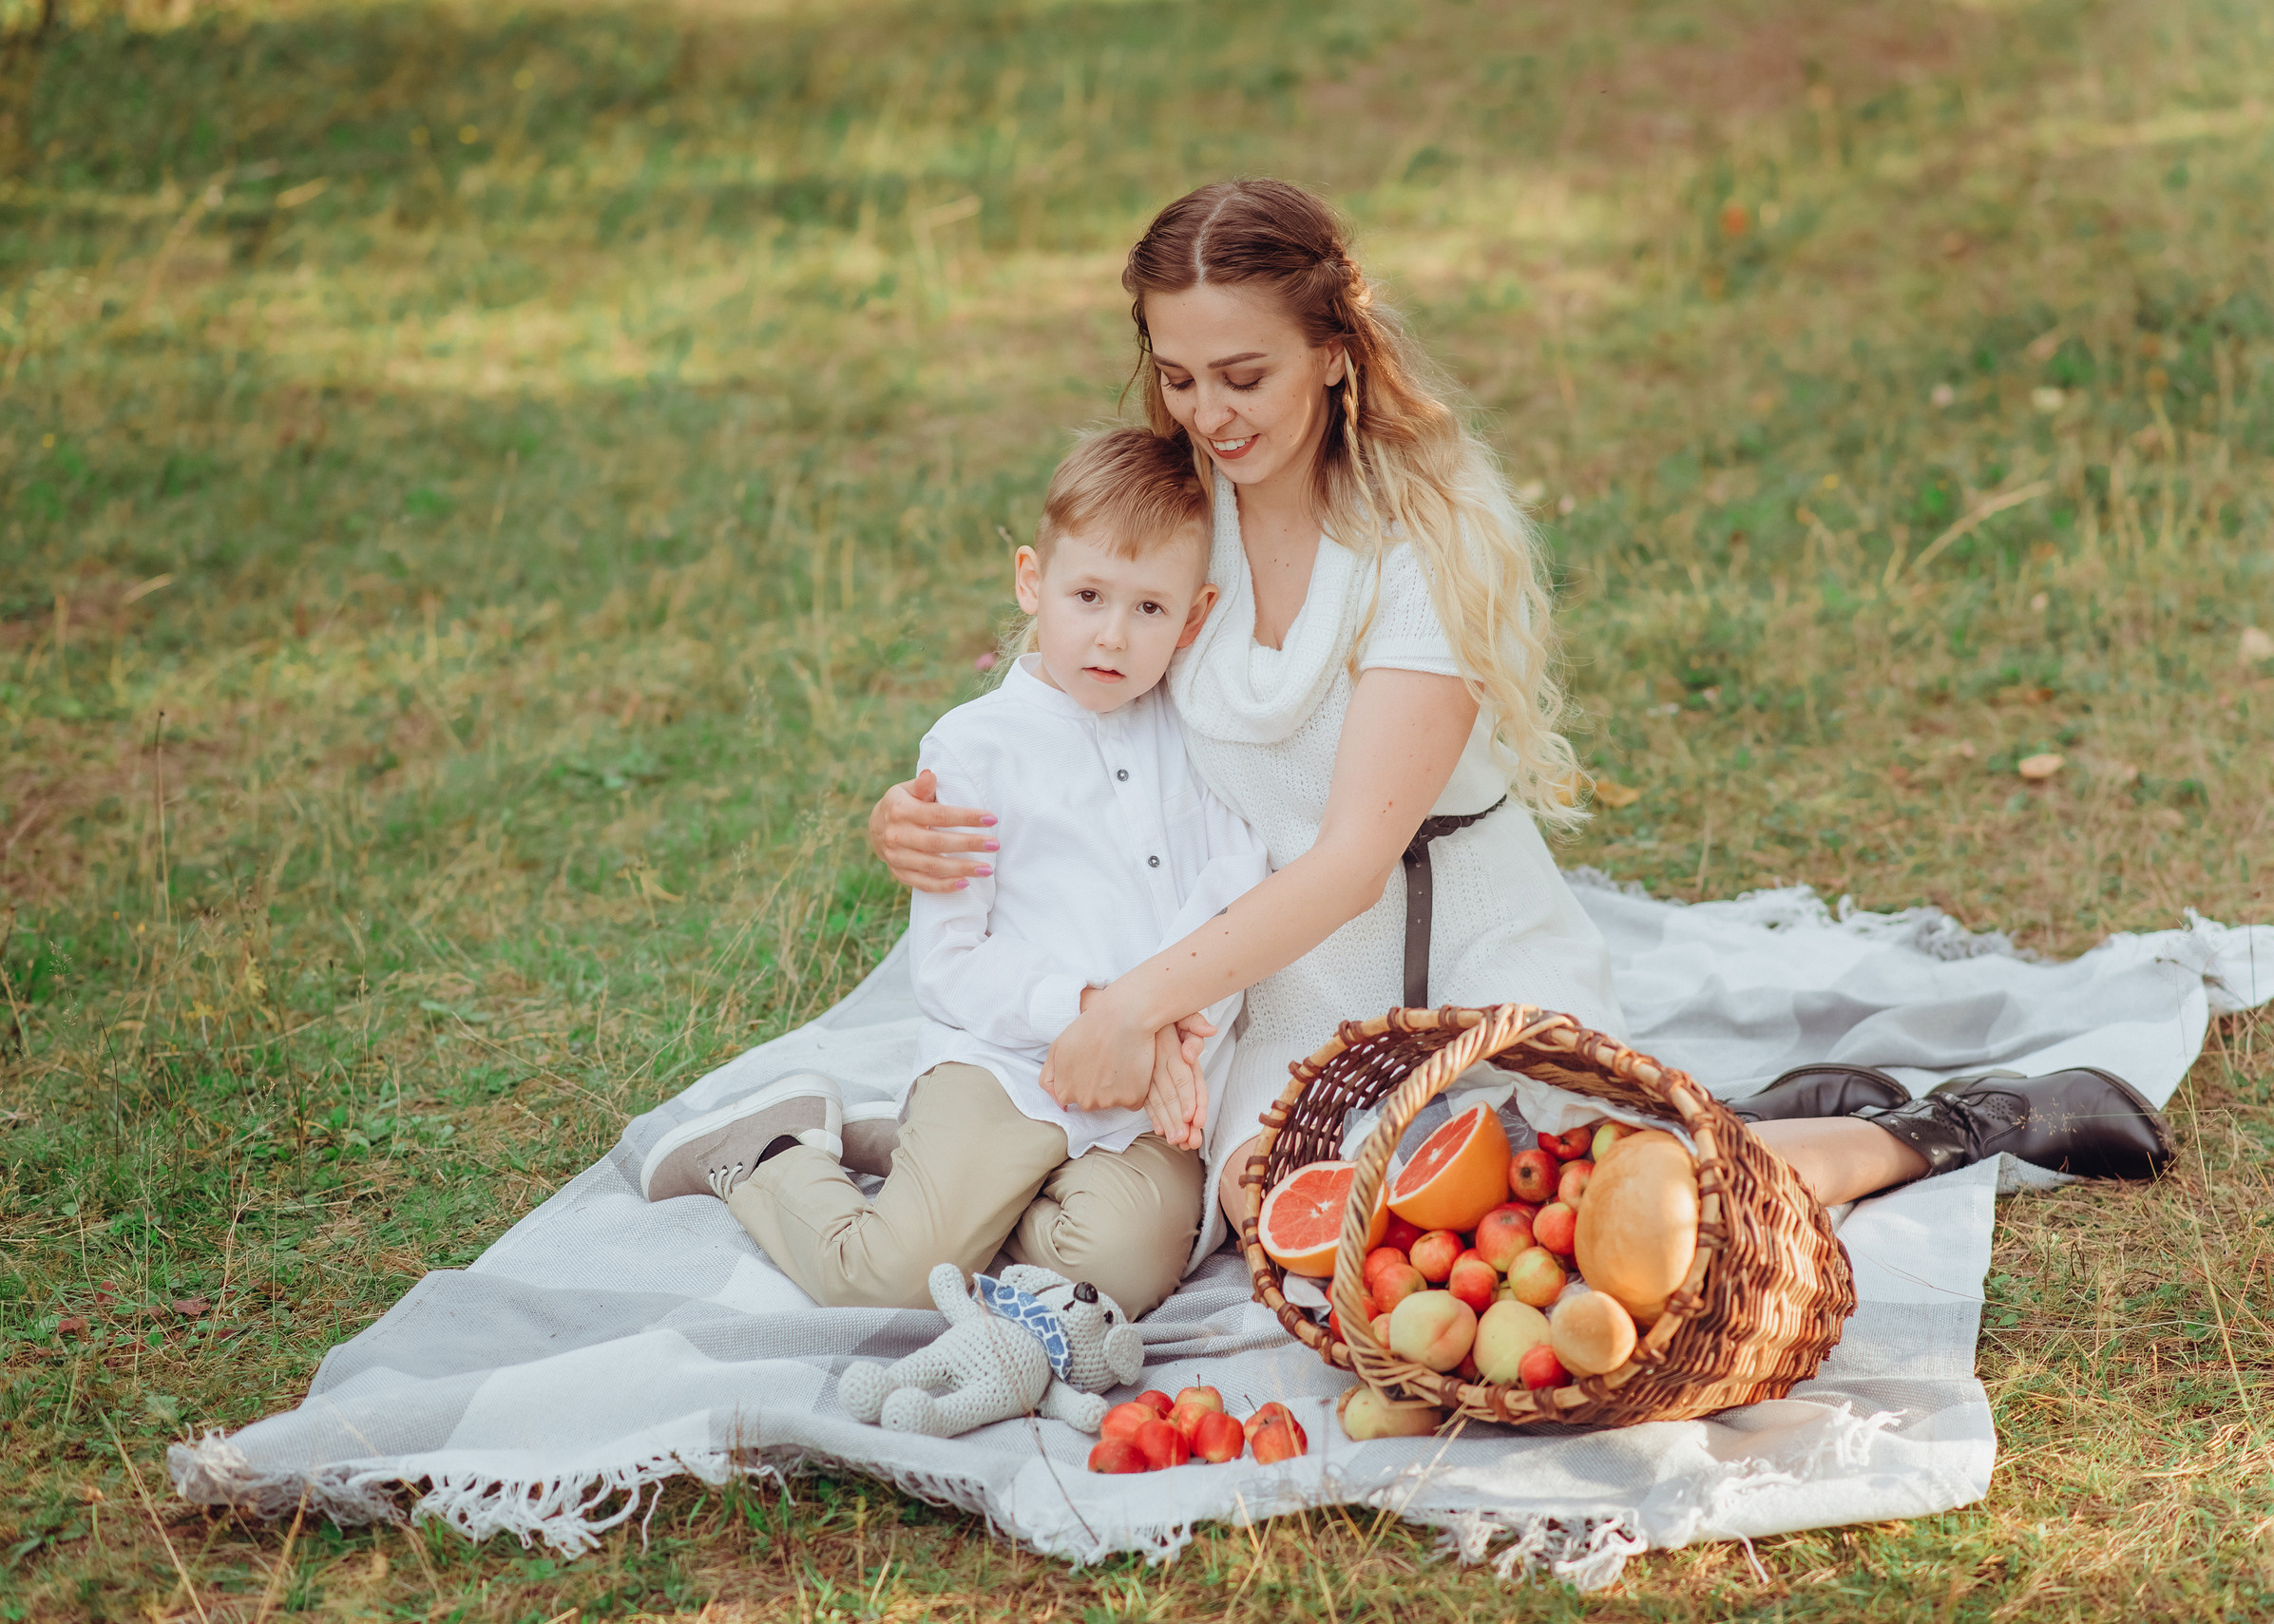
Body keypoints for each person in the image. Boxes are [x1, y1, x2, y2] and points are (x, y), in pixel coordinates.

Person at [867, 178, 2172, 1247]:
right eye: (1178, 378)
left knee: (1583, 1222)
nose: (1209, 416)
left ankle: (1944, 1126)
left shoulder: (1424, 531)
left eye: (1243, 376)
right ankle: (1733, 1109)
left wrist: (1130, 1006)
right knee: (1318, 1241)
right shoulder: (1175, 509)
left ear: (1332, 351)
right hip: (1275, 984)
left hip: (1455, 944)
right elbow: (1067, 681)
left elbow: (1354, 858)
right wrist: (920, 812)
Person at [638, 429, 1268, 1320]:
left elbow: (1240, 892)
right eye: (1088, 595)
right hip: (1003, 1063)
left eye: (1150, 609)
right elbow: (949, 964)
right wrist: (1091, 1010)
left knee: (1119, 1271)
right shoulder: (973, 750)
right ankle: (770, 1152)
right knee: (888, 1281)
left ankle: (931, 1180)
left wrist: (1173, 1035)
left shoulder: (1200, 731)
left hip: (1145, 1094)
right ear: (1031, 581)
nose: (1113, 635)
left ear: (1194, 619)